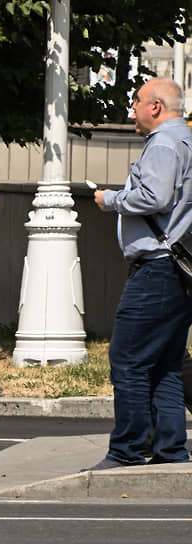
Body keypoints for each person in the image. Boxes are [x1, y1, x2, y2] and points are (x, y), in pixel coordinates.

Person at [88, 77, 192, 470]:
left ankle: (126, 450)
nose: (131, 109)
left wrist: (110, 199)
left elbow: (155, 197)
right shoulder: (187, 140)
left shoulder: (164, 144)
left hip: (157, 269)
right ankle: (169, 450)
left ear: (156, 107)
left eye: (136, 101)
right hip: (179, 270)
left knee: (128, 359)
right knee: (165, 363)